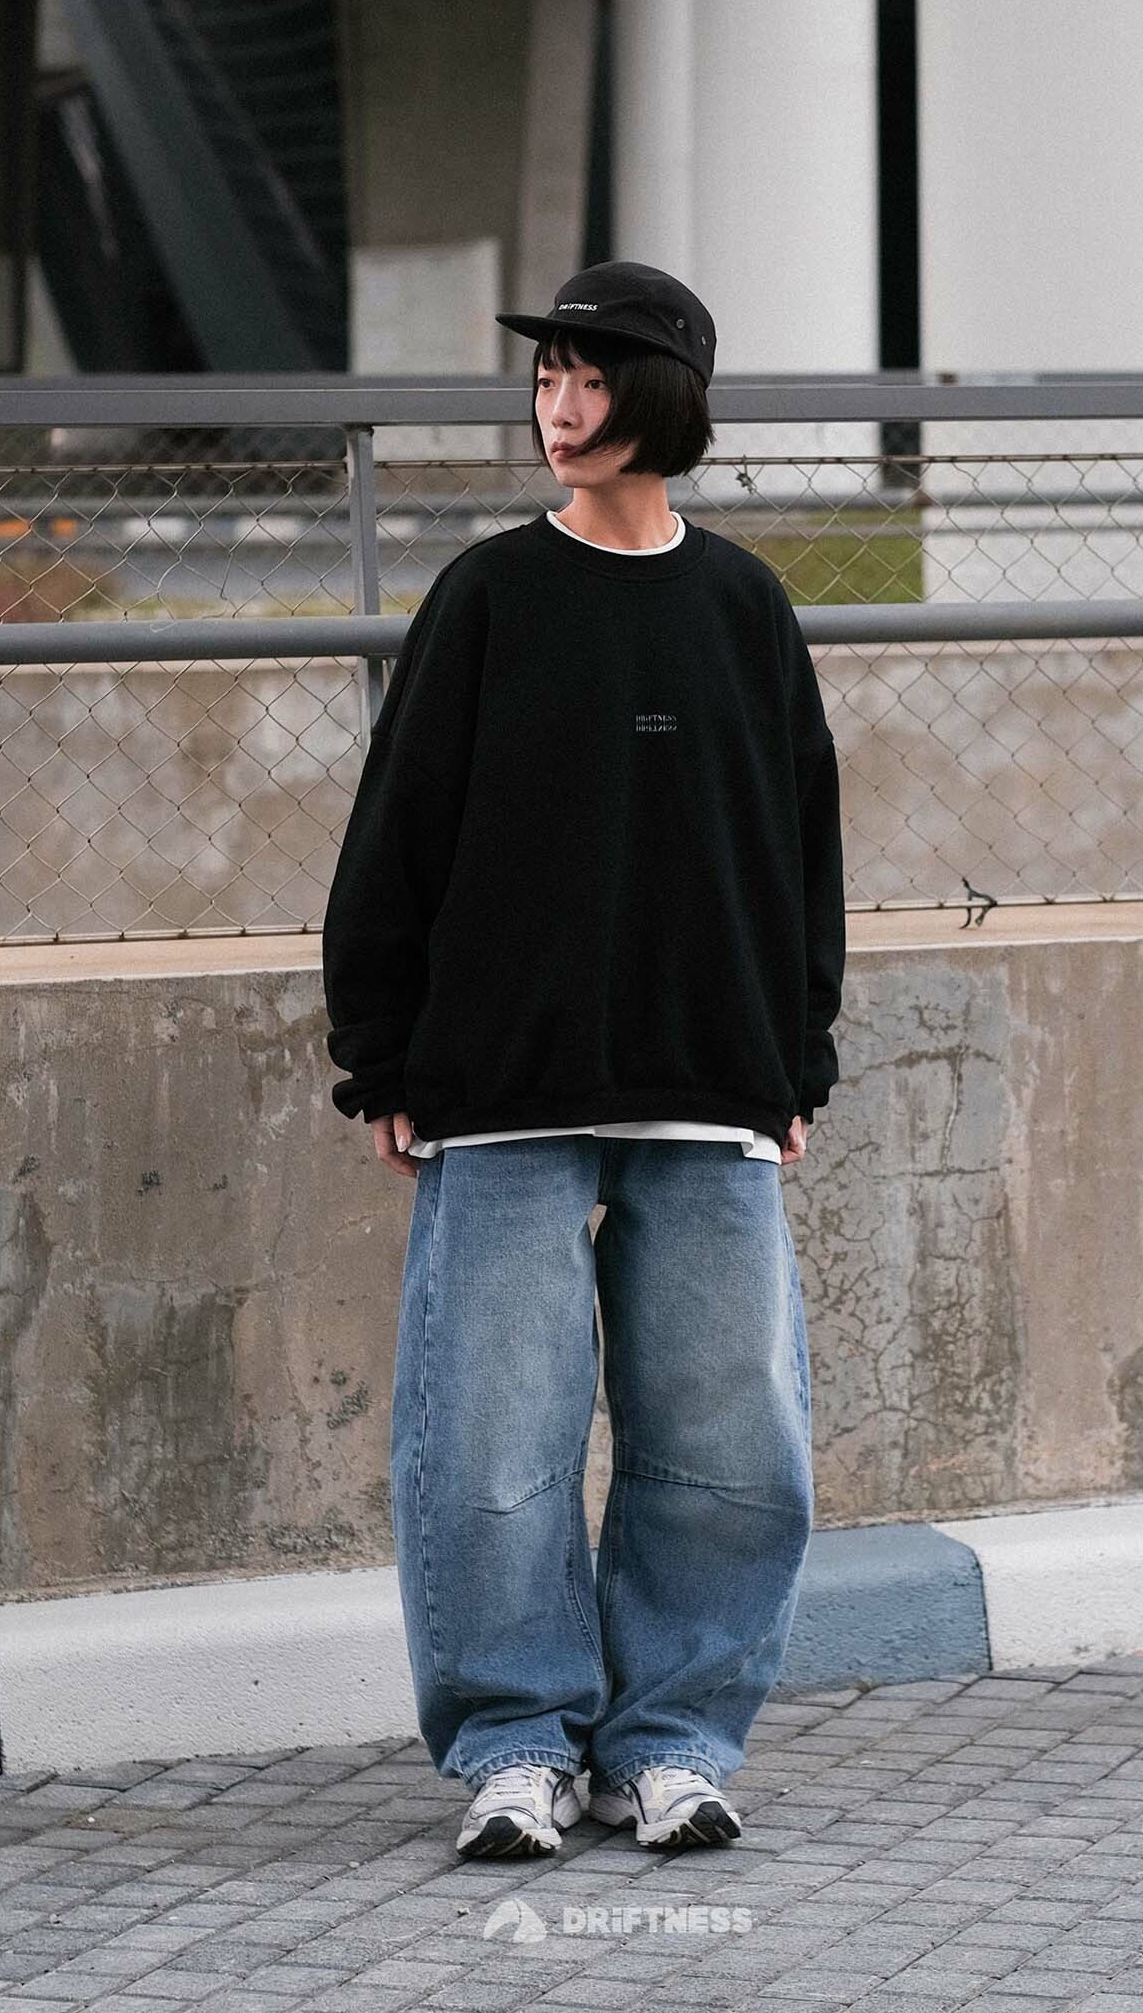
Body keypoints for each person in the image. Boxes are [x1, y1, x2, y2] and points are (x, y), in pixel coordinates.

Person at [322, 259, 846, 1861]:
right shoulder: (488, 595)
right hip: (503, 1084)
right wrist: (383, 1053)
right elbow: (397, 834)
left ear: (664, 397)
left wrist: (793, 1061)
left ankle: (674, 1739)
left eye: (592, 375)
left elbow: (798, 849)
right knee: (490, 1445)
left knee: (729, 1445)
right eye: (548, 374)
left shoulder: (745, 607)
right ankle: (516, 1743)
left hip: (712, 1081)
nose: (559, 403)